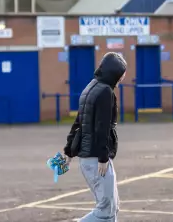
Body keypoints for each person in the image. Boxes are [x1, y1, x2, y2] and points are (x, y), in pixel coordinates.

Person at [63, 52, 127, 222]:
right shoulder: (106, 92)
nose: (122, 78)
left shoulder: (90, 87)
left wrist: (69, 151)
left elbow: (79, 122)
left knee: (113, 207)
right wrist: (103, 157)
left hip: (89, 157)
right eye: (122, 74)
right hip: (96, 159)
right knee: (106, 211)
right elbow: (102, 128)